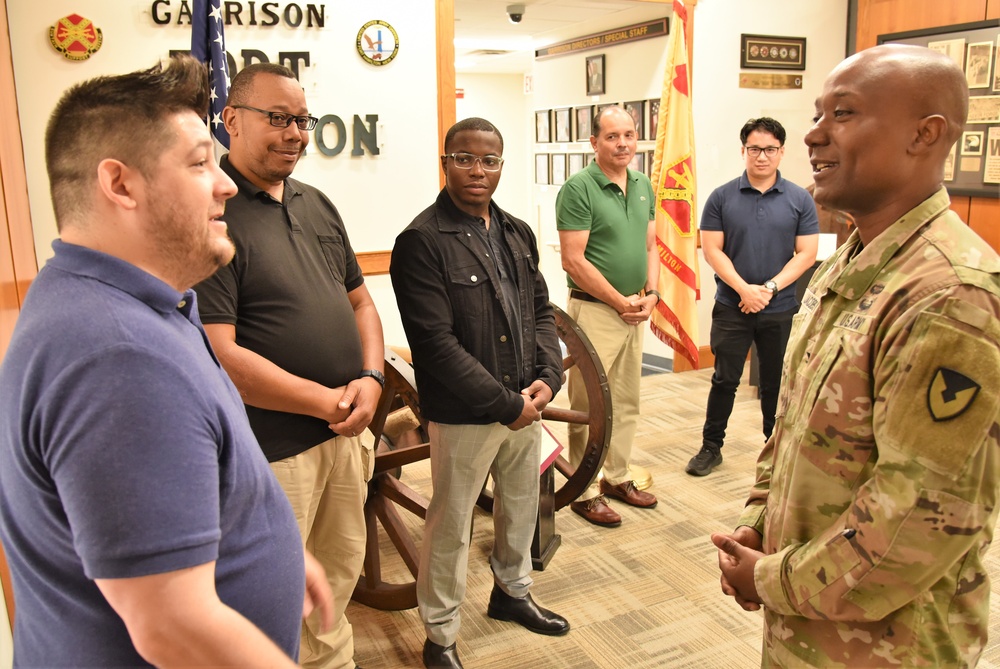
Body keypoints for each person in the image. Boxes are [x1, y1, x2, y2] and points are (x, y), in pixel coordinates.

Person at [0, 56, 332, 667]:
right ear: (120, 184)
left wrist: (278, 551)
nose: (226, 183)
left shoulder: (116, 296)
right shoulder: (117, 355)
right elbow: (173, 626)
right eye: (200, 163)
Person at [712, 44, 1000, 667]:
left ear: (925, 135)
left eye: (843, 113)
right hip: (813, 617)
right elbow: (794, 428)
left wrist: (770, 579)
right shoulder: (852, 260)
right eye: (819, 113)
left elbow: (915, 524)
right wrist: (760, 520)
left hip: (891, 643)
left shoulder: (950, 294)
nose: (813, 135)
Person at [194, 63, 384, 669]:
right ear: (231, 122)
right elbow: (222, 353)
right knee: (271, 600)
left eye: (302, 120)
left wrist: (373, 378)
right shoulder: (211, 213)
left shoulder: (317, 203)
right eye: (277, 119)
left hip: (346, 434)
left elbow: (362, 301)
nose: (295, 133)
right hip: (274, 452)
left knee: (336, 582)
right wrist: (326, 402)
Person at [391, 117, 570, 669]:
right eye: (465, 158)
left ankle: (512, 593)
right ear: (445, 162)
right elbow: (435, 345)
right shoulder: (421, 241)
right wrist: (505, 403)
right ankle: (440, 636)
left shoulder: (516, 232)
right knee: (452, 523)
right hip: (469, 414)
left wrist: (548, 376)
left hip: (526, 404)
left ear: (500, 164)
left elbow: (540, 311)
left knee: (518, 509)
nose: (478, 170)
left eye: (489, 160)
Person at [685, 117, 819, 477]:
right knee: (724, 379)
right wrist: (744, 289)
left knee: (776, 382)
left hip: (780, 307)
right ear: (743, 150)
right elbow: (712, 250)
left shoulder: (799, 198)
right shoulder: (722, 197)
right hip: (733, 306)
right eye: (755, 149)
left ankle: (774, 451)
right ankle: (711, 448)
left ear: (782, 152)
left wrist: (769, 288)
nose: (763, 156)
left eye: (770, 149)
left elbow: (806, 253)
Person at [555, 105, 659, 527]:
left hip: (636, 307)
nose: (623, 143)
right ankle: (583, 488)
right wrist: (620, 301)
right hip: (597, 312)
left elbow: (651, 246)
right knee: (588, 405)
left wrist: (651, 293)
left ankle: (617, 477)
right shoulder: (579, 188)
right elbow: (573, 260)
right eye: (612, 136)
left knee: (628, 400)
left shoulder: (642, 183)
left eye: (629, 135)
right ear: (594, 142)